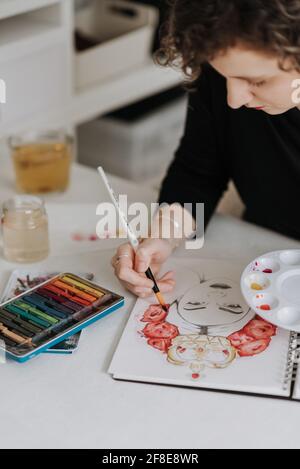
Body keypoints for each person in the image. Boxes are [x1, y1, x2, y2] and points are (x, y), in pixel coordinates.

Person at [111, 0, 300, 298]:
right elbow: (198, 173)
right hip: (265, 255)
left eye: (257, 81)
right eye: (224, 76)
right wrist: (162, 238)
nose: (235, 100)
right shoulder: (223, 66)